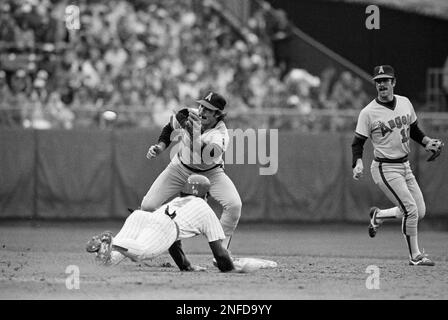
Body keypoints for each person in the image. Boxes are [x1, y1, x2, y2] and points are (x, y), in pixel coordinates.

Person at [351, 65, 444, 266]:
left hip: (404, 165)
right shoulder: (368, 112)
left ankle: (379, 215)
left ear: (393, 82)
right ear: (375, 84)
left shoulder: (404, 102)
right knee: (410, 210)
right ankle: (415, 256)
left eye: (386, 80)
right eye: (378, 81)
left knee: (419, 211)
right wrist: (357, 162)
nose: (382, 84)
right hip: (385, 168)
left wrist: (427, 142)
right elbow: (357, 142)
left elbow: (414, 130)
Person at [143, 91, 242, 250]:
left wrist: (193, 133)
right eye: (201, 106)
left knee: (234, 205)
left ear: (217, 115)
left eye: (208, 109)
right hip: (180, 168)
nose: (202, 111)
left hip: (211, 173)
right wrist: (160, 147)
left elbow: (204, 156)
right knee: (147, 206)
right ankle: (157, 243)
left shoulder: (220, 134)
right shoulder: (191, 115)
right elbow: (170, 127)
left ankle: (221, 251)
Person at [86, 175, 237, 272]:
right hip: (164, 224)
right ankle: (110, 242)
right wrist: (232, 268)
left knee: (109, 262)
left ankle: (105, 247)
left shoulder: (177, 201)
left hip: (141, 217)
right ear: (206, 194)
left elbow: (173, 243)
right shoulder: (205, 209)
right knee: (141, 252)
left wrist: (186, 266)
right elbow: (220, 254)